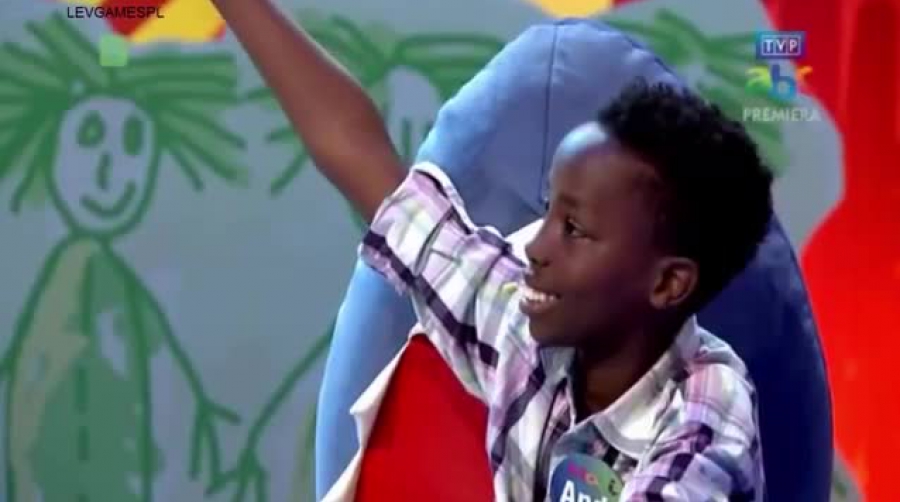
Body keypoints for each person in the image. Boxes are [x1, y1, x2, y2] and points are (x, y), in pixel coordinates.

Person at [212, 0, 772, 499]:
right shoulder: (524, 330)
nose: (536, 248)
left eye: (574, 229)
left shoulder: (708, 419)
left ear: (667, 283)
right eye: (549, 212)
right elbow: (369, 168)